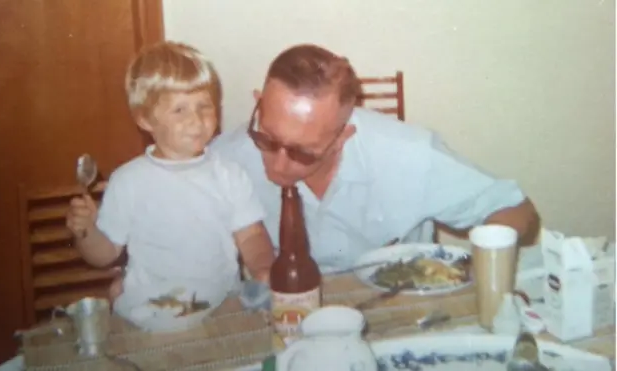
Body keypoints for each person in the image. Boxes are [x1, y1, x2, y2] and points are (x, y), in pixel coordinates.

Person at [211, 44, 539, 272]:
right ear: (259, 103)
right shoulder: (221, 161)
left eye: (302, 153)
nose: (278, 167)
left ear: (344, 136)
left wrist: (471, 269)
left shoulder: (406, 154)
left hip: (395, 310)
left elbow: (515, 210)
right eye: (266, 139)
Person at [65, 41, 275, 326]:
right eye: (180, 110)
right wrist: (86, 232)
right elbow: (104, 255)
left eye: (204, 106)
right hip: (149, 318)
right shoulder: (128, 181)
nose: (197, 120)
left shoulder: (229, 174)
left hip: (221, 312)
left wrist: (263, 267)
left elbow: (251, 236)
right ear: (145, 119)